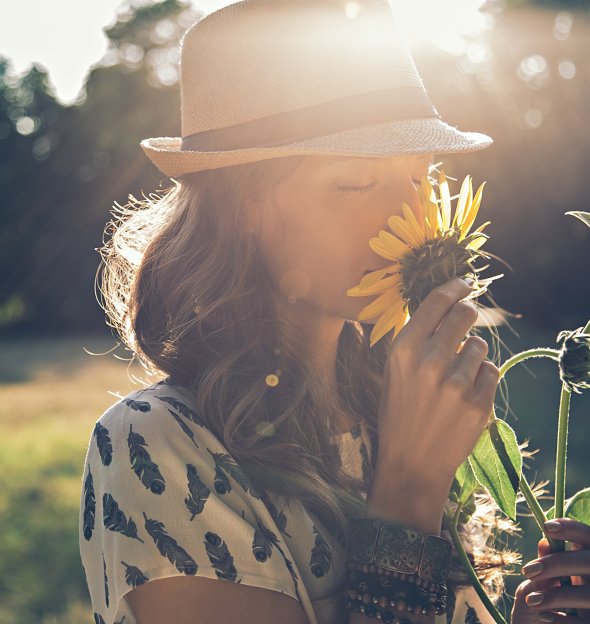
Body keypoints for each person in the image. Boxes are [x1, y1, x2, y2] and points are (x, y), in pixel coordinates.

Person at [79, 1, 590, 623]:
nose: (414, 218)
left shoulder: (388, 409)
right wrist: (409, 485)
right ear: (243, 206)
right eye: (354, 184)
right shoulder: (156, 444)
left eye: (422, 177)